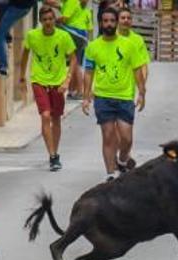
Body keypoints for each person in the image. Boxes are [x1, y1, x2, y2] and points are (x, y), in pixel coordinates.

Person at [82, 7, 147, 181]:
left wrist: (142, 92)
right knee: (108, 135)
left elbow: (137, 70)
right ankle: (111, 174)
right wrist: (86, 96)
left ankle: (122, 160)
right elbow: (88, 72)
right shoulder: (93, 47)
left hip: (125, 97)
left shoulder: (129, 45)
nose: (109, 24)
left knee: (126, 138)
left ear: (117, 23)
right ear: (101, 23)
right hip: (103, 97)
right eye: (105, 21)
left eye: (112, 21)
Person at [20, 7, 78, 171]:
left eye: (50, 19)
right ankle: (52, 156)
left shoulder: (63, 36)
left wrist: (67, 80)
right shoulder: (32, 36)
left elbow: (73, 59)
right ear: (40, 21)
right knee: (45, 116)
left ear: (54, 20)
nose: (48, 22)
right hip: (39, 81)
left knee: (56, 119)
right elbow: (24, 55)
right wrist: (22, 77)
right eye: (45, 20)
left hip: (58, 83)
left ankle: (55, 152)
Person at [0, 0, 62, 76]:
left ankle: (2, 67)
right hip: (18, 5)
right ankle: (7, 38)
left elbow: (47, 1)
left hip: (18, 9)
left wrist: (60, 6)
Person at [59, 0, 94, 99]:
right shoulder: (86, 11)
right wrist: (90, 43)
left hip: (74, 33)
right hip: (83, 36)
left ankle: (79, 91)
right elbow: (90, 29)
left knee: (76, 63)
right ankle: (72, 90)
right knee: (74, 63)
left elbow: (65, 18)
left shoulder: (72, 2)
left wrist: (55, 20)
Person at [117, 7, 151, 88]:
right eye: (123, 18)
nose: (126, 20)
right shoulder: (110, 38)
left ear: (131, 21)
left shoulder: (138, 40)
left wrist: (142, 88)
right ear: (117, 20)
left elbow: (143, 65)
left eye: (129, 18)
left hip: (128, 89)